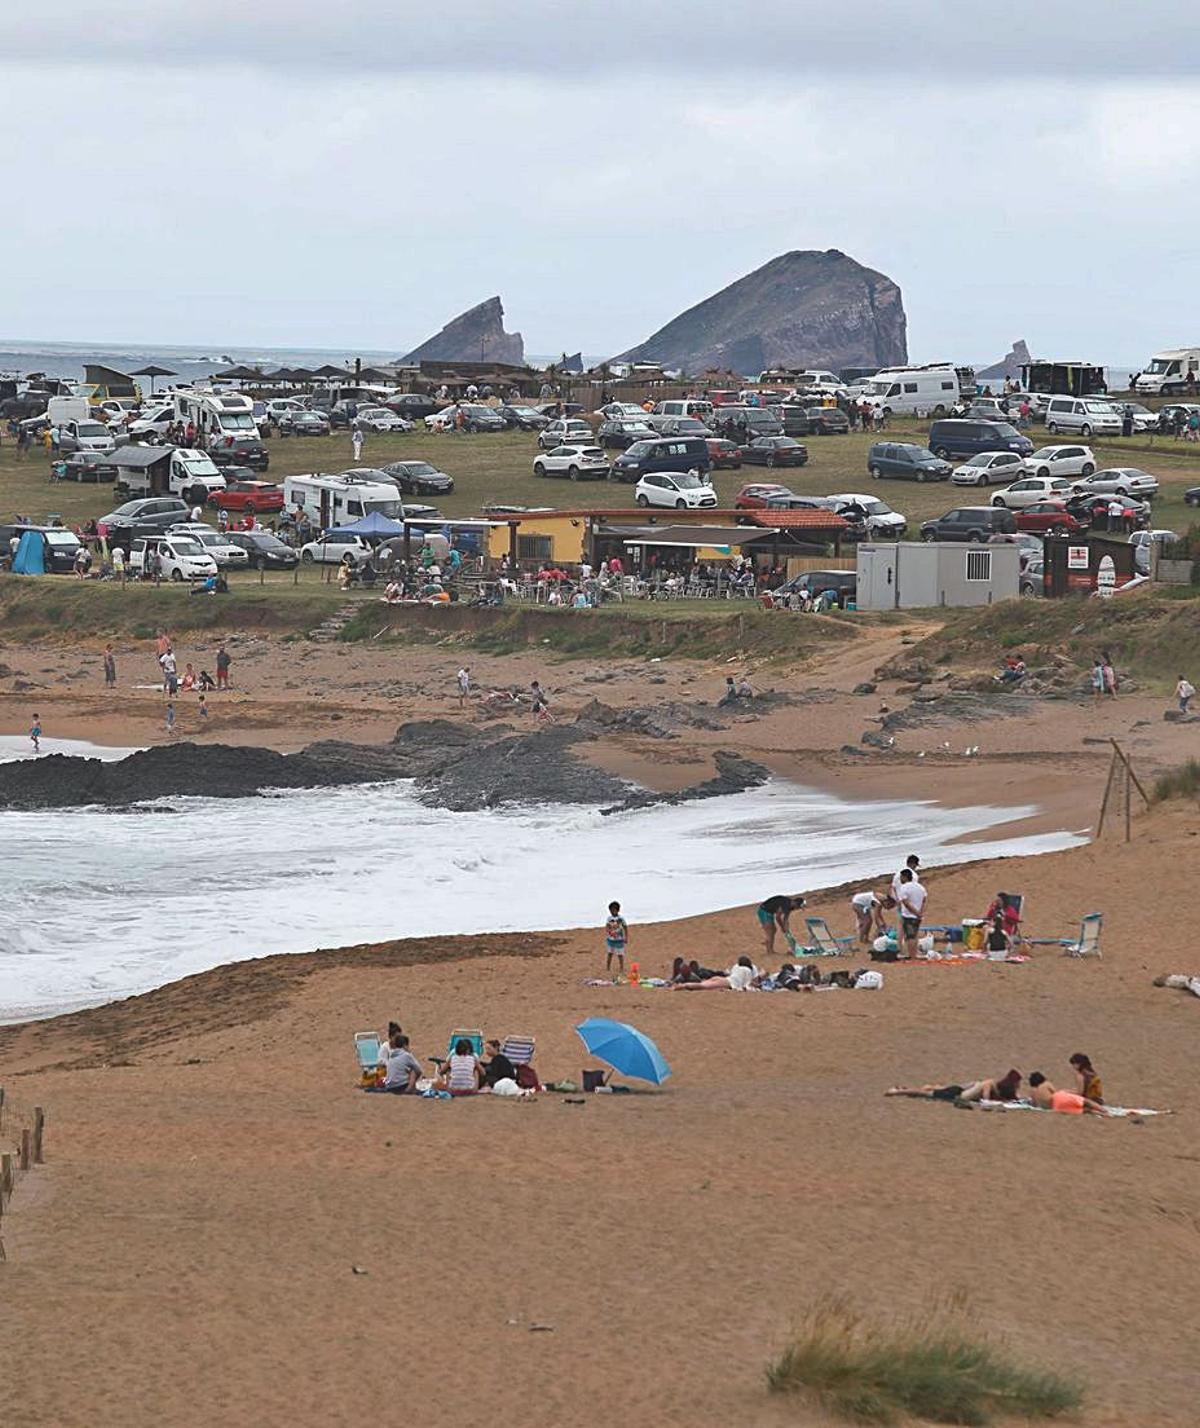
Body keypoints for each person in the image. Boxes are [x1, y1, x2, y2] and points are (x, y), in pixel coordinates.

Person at [885, 1069, 1022, 1103]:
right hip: (957, 1095)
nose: (1018, 1086)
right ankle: (897, 1092)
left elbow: (1015, 1097)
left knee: (932, 1091)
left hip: (961, 1091)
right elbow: (985, 1100)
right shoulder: (989, 1083)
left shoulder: (1003, 1090)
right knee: (924, 1095)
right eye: (1017, 1084)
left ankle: (904, 1089)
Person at [1028, 1072, 1107, 1115]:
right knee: (1085, 1101)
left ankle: (1099, 1113)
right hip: (1057, 1099)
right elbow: (1056, 1093)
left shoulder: (1032, 1092)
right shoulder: (1046, 1084)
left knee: (1085, 1110)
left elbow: (1033, 1104)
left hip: (1052, 1107)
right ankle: (1103, 1111)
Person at [897, 867, 927, 960]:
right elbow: (924, 900)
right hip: (917, 915)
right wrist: (920, 912)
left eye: (901, 877)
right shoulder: (920, 887)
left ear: (905, 877)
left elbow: (906, 903)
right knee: (915, 934)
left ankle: (912, 955)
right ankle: (914, 953)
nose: (900, 879)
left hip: (909, 915)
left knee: (910, 936)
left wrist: (916, 912)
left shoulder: (904, 888)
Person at [604, 900, 629, 978]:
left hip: (619, 939)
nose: (611, 912)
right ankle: (608, 967)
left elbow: (625, 927)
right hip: (611, 939)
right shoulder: (609, 918)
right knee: (610, 953)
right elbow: (607, 927)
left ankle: (621, 967)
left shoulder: (621, 919)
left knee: (620, 954)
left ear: (617, 910)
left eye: (613, 910)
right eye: (610, 910)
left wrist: (626, 937)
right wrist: (608, 932)